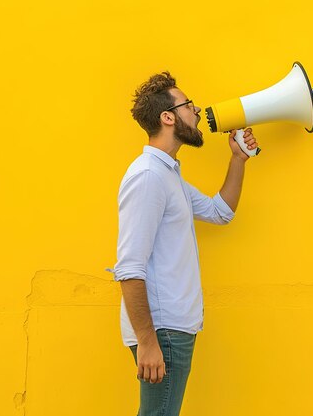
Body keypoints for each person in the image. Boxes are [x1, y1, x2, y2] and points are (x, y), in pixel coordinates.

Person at [108, 71, 258, 416]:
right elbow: (129, 268)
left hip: (173, 329)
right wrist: (148, 342)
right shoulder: (149, 176)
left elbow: (220, 212)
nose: (197, 111)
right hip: (162, 331)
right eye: (189, 105)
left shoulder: (168, 175)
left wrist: (238, 159)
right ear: (168, 117)